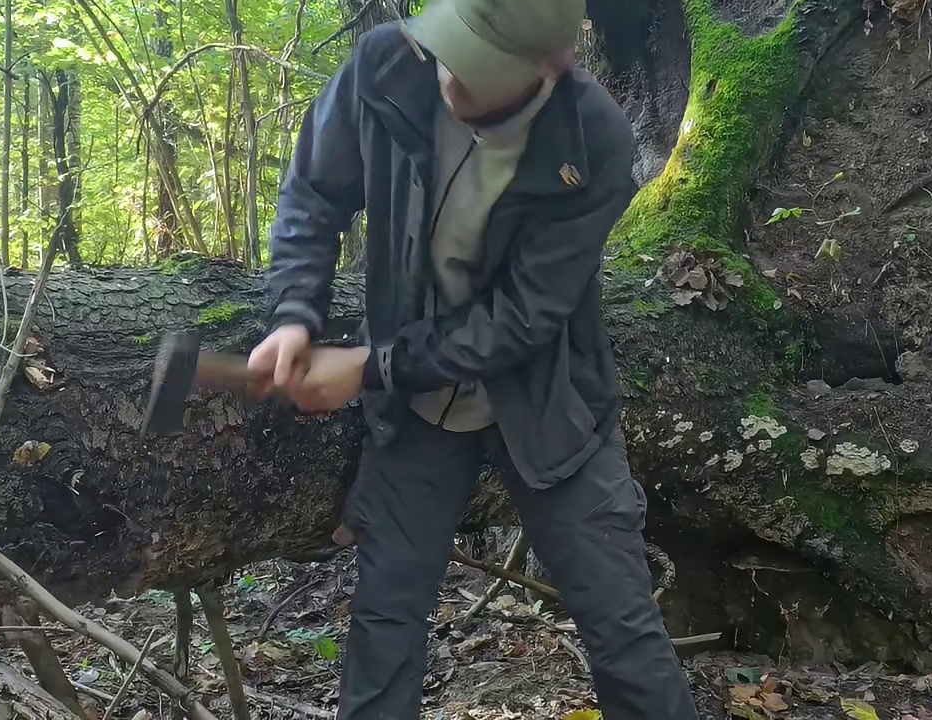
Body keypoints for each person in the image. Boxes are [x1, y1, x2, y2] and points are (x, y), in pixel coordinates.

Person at [247, 0, 701, 717]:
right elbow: (313, 193)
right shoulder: (391, 65)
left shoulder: (596, 142)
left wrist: (369, 368)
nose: (451, 82)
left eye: (479, 68)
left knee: (623, 627)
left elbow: (520, 319)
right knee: (384, 625)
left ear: (551, 67)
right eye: (450, 50)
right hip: (418, 412)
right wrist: (293, 316)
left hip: (549, 405)